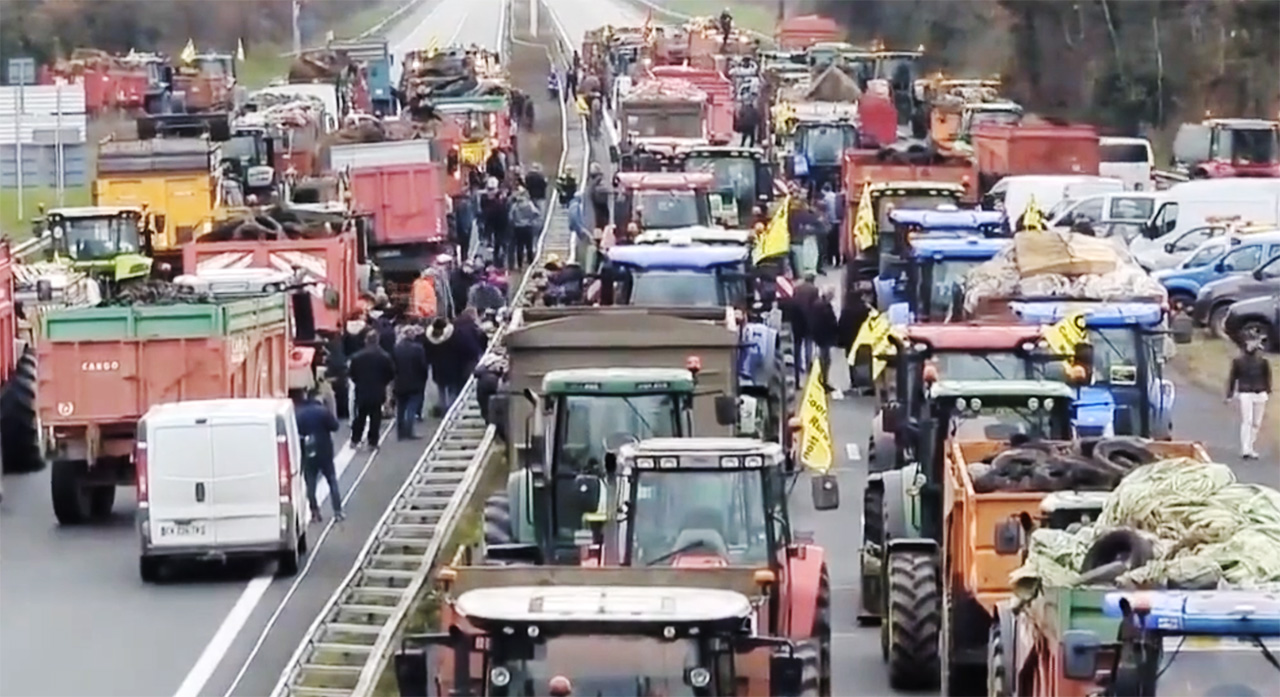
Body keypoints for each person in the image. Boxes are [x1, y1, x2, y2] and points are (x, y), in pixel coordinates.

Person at [292, 388, 343, 522]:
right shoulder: (323, 412)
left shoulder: (299, 414)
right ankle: (337, 511)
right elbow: (335, 426)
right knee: (332, 480)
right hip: (325, 451)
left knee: (311, 484)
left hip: (308, 453)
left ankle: (314, 511)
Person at [1227, 338, 1272, 459]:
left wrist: (1267, 390)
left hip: (1260, 393)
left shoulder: (1263, 362)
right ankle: (1245, 448)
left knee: (1256, 423)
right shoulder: (1239, 361)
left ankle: (1251, 446)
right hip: (1246, 392)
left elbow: (1267, 377)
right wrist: (1230, 394)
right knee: (1247, 420)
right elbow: (1233, 377)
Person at [348, 331, 395, 449]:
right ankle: (373, 442)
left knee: (360, 417)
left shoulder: (357, 357)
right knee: (375, 417)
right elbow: (390, 374)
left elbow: (352, 375)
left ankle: (355, 439)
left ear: (366, 341)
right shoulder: (384, 356)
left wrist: (359, 382)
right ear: (378, 340)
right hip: (377, 391)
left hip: (362, 391)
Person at [392, 325, 430, 440]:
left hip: (399, 382)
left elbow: (393, 366)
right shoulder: (418, 349)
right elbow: (423, 366)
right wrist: (423, 379)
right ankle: (409, 431)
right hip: (415, 382)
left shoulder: (396, 348)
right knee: (411, 408)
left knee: (400, 408)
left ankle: (400, 432)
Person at [810, 286, 840, 394]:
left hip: (821, 336)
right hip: (823, 336)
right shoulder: (823, 306)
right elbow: (827, 321)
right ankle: (823, 381)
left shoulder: (819, 304)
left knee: (826, 359)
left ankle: (823, 380)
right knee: (825, 359)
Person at [508, 188, 541, 268]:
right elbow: (536, 213)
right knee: (529, 245)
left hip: (518, 228)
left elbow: (510, 217)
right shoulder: (529, 204)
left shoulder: (515, 206)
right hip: (528, 227)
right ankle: (530, 262)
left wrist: (516, 222)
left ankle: (520, 264)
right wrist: (531, 219)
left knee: (520, 246)